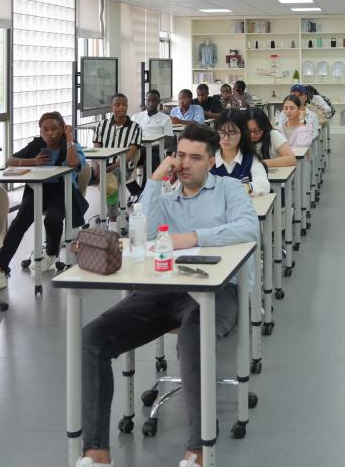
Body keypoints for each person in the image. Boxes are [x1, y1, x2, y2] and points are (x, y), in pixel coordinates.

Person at [76, 124, 259, 467]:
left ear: (211, 161)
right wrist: (155, 180)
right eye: (180, 155)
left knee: (194, 337)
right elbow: (143, 232)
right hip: (165, 290)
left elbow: (249, 228)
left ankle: (199, 449)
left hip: (218, 291)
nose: (185, 164)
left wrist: (192, 237)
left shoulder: (229, 189)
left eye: (195, 157)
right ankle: (96, 452)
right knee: (91, 339)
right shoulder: (167, 195)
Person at [0, 112, 87, 292]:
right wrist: (32, 161)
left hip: (63, 192)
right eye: (45, 130)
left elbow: (73, 163)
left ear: (62, 129)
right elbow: (10, 160)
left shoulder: (71, 145)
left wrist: (69, 137)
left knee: (52, 218)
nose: (49, 133)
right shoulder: (36, 145)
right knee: (19, 223)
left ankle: (51, 252)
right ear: (40, 131)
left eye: (54, 129)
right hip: (38, 191)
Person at [93, 92, 143, 204]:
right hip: (103, 164)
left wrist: (110, 168)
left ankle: (113, 212)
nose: (121, 107)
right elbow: (96, 150)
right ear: (111, 107)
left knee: (113, 176)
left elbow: (129, 155)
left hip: (123, 165)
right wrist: (96, 165)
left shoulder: (136, 128)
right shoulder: (102, 125)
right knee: (79, 175)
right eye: (117, 104)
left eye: (124, 104)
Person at [211, 109, 271, 195]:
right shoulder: (208, 157)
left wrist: (247, 187)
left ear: (242, 134)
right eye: (222, 132)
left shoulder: (250, 158)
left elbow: (264, 185)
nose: (226, 138)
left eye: (232, 133)